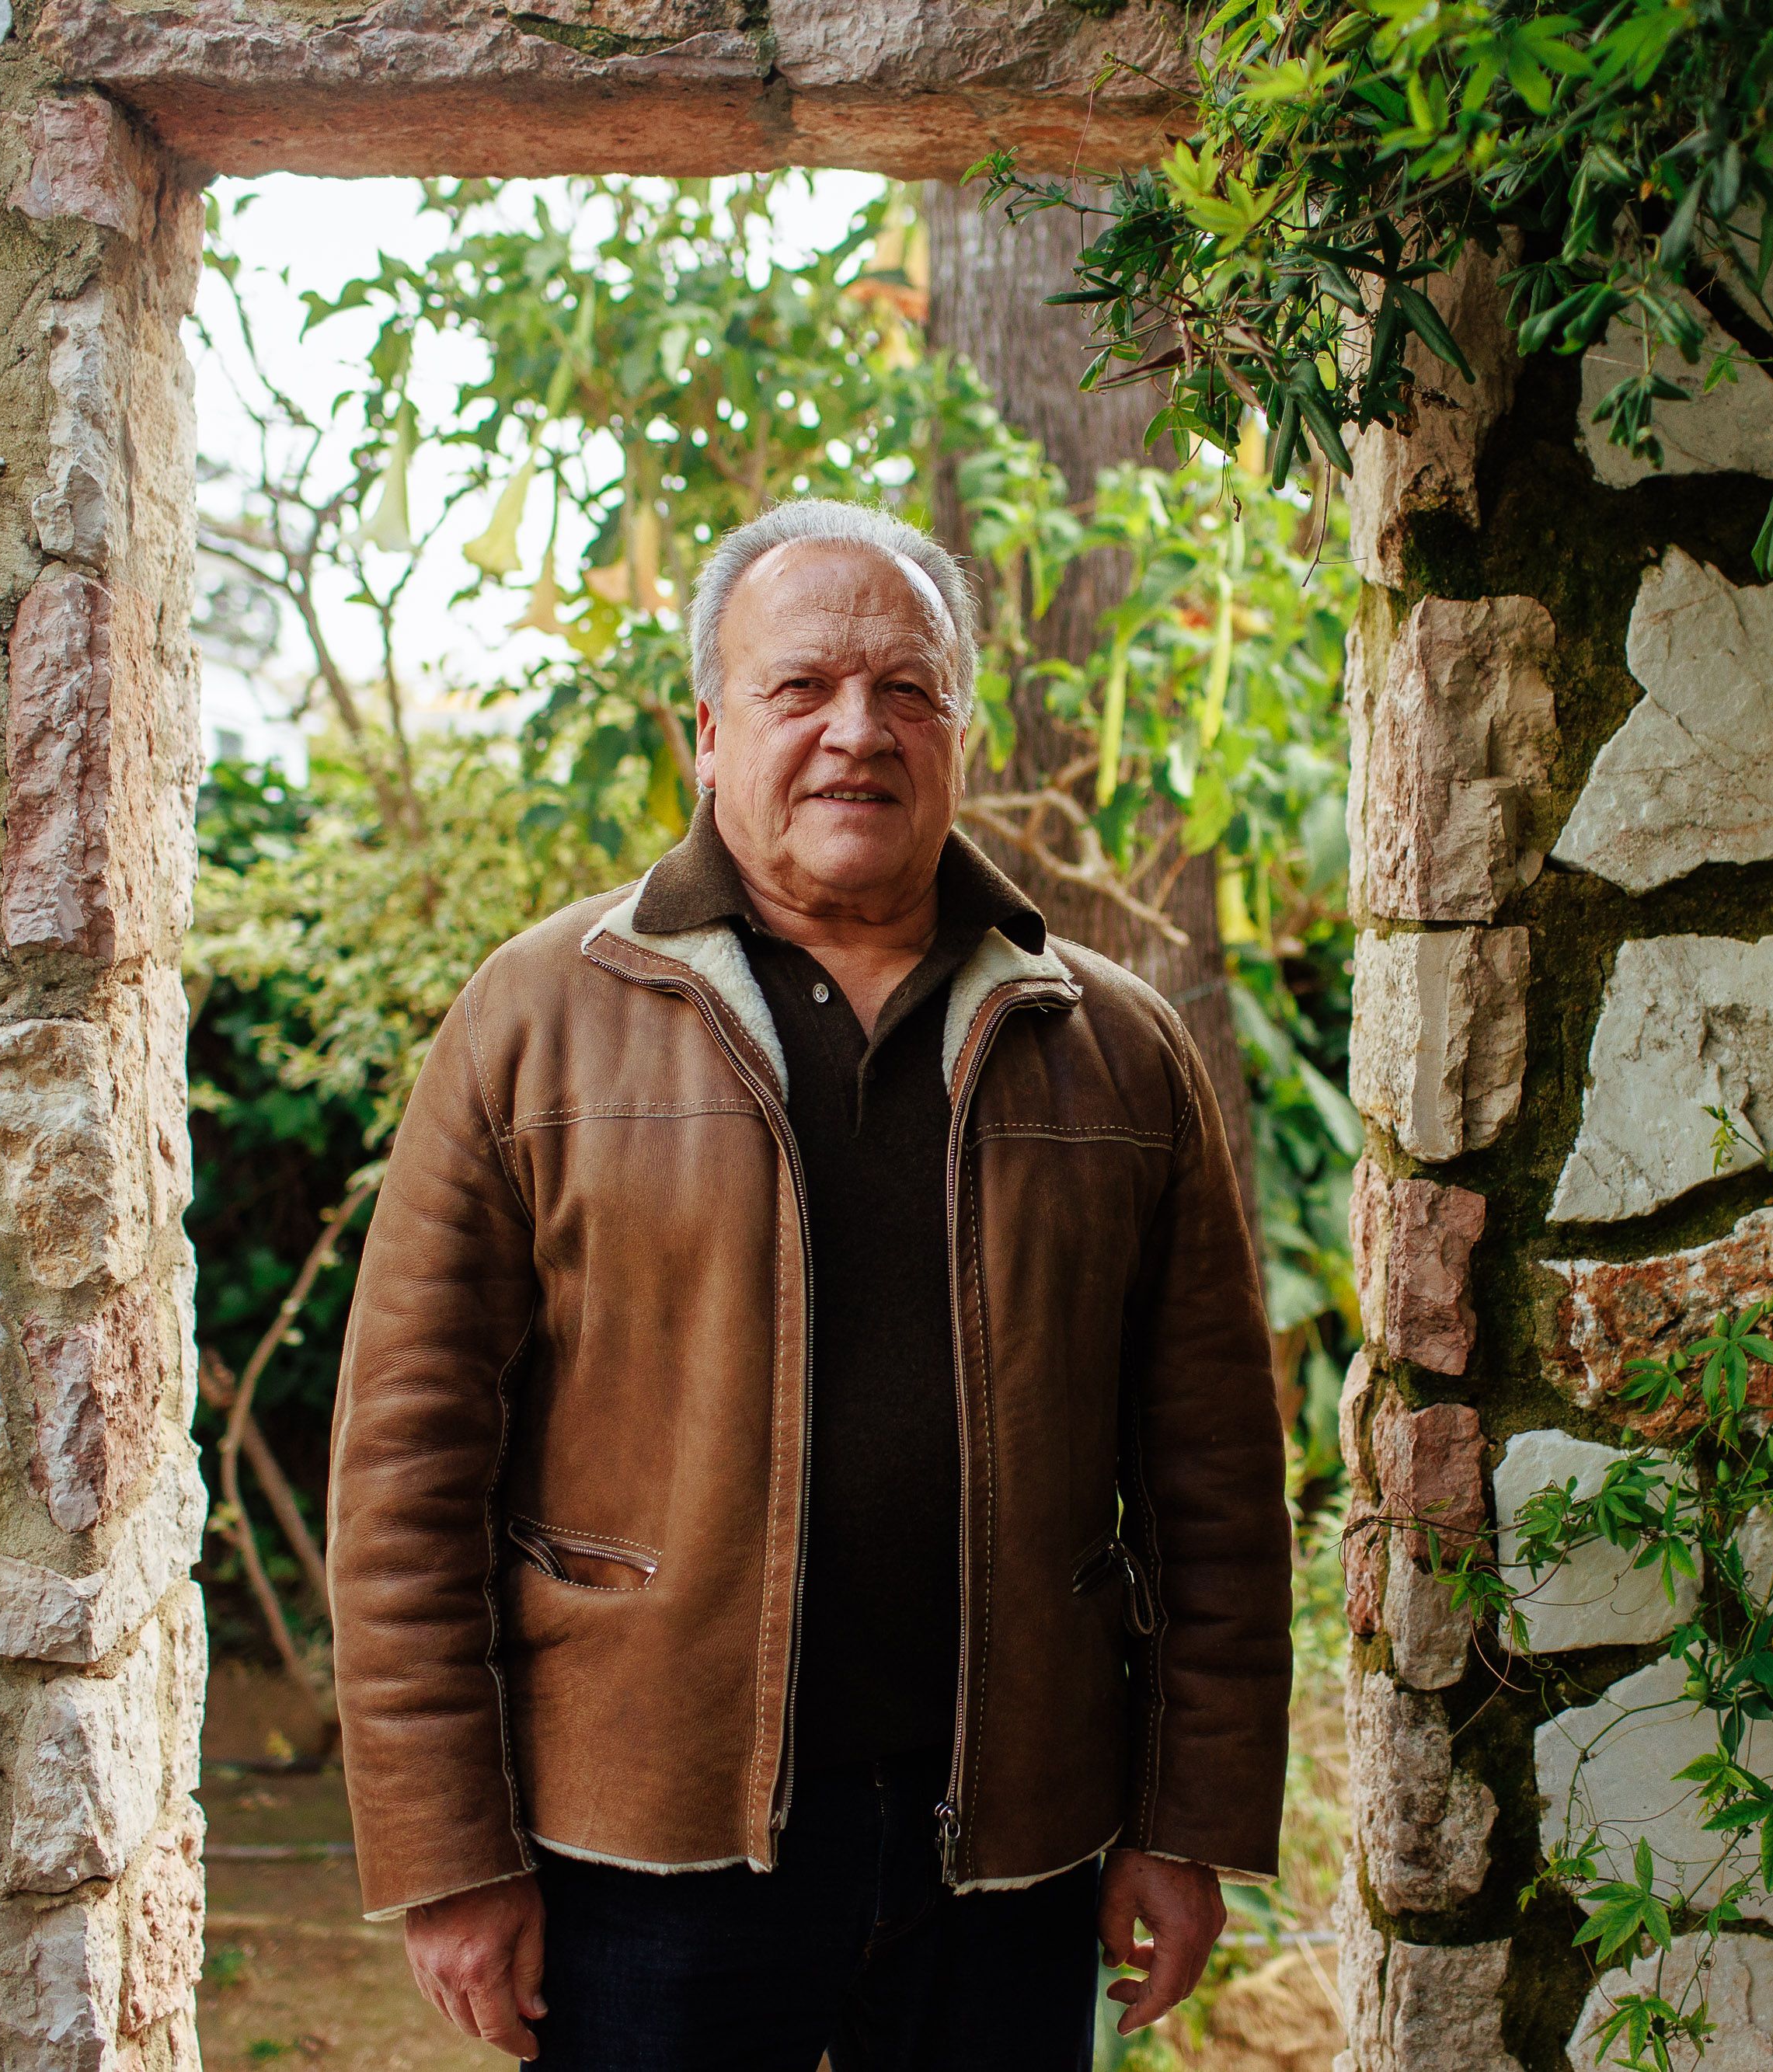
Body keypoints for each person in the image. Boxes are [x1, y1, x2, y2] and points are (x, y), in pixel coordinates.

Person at [326, 498, 1294, 2070]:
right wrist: (450, 1849)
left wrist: (1186, 1820)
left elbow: (1214, 1482)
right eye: (801, 689)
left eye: (906, 689)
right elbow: (403, 1470)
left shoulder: (1112, 1045)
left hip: (1010, 1850)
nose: (859, 730)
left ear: (961, 731)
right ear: (706, 731)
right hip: (642, 1858)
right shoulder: (532, 1020)